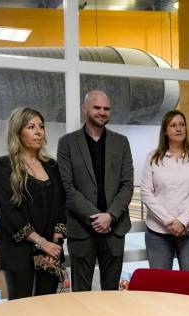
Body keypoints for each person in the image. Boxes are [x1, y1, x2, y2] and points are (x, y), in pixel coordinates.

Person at [57, 90, 134, 291]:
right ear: (85, 108)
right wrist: (96, 218)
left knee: (111, 294)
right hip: (82, 229)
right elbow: (67, 187)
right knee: (81, 294)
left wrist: (110, 216)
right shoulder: (67, 143)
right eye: (97, 107)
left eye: (106, 108)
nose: (102, 112)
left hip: (114, 229)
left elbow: (127, 185)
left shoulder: (121, 142)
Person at [0, 107, 67, 300]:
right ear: (18, 132)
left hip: (50, 252)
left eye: (41, 126)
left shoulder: (52, 166)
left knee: (47, 306)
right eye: (31, 127)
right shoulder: (4, 165)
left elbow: (61, 207)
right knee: (22, 308)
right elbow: (8, 212)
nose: (38, 132)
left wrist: (54, 244)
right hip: (19, 253)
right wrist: (41, 243)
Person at [140, 110, 189, 272]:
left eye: (182, 124)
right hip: (158, 232)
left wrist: (183, 221)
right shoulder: (153, 157)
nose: (179, 129)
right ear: (165, 131)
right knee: (160, 284)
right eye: (173, 125)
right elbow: (146, 193)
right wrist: (169, 221)